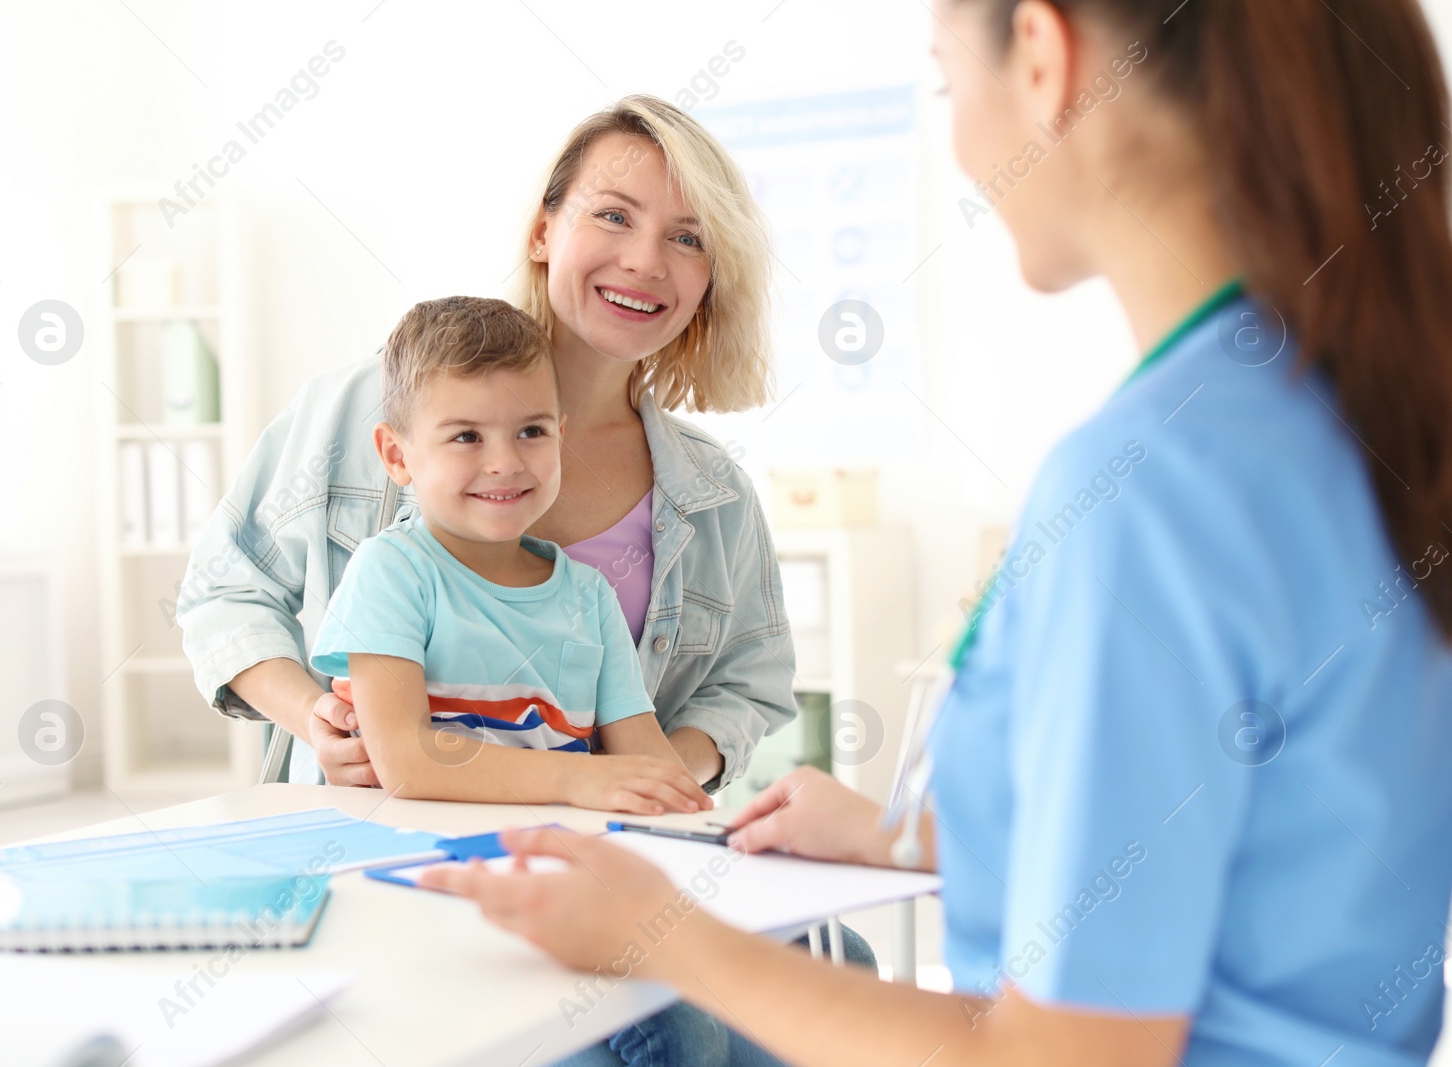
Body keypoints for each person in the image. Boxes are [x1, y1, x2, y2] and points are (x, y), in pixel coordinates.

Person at [421, 1, 1452, 1064]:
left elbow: (1061, 1054)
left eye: (947, 80)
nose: (959, 143)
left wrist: (667, 935)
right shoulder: (1338, 419)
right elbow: (1253, 840)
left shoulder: (1148, 491)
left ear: (1045, 60)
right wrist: (906, 836)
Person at [177, 96, 878, 1063]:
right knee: (671, 1030)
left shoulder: (711, 494)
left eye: (687, 237)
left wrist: (651, 780)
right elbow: (223, 590)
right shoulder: (374, 404)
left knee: (842, 966)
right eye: (614, 215)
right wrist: (317, 719)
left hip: (605, 848)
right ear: (546, 230)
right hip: (402, 841)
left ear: (713, 277)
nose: (645, 261)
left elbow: (747, 682)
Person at [308, 295, 712, 816]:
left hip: (557, 866)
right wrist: (576, 777)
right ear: (396, 455)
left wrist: (707, 819)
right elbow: (405, 760)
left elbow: (647, 759)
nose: (504, 462)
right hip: (418, 863)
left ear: (560, 436)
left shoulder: (590, 597)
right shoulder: (392, 573)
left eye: (531, 432)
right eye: (467, 436)